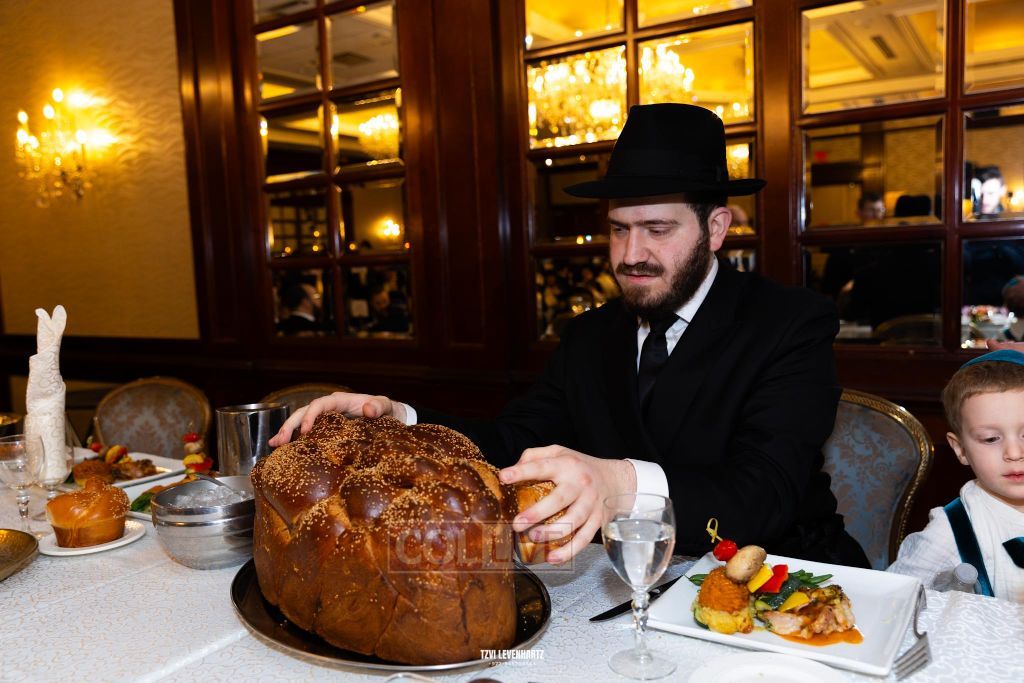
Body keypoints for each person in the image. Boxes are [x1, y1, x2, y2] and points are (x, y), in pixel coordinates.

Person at [270, 103, 868, 567]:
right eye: (618, 230)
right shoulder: (589, 335)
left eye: (657, 229)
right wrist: (398, 419)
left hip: (784, 579)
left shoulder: (790, 323)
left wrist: (619, 483)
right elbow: (513, 441)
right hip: (626, 578)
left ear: (716, 229)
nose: (631, 254)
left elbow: (765, 493)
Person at [888, 350, 1024, 601]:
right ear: (961, 449)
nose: (1014, 453)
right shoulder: (953, 530)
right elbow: (894, 600)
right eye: (990, 439)